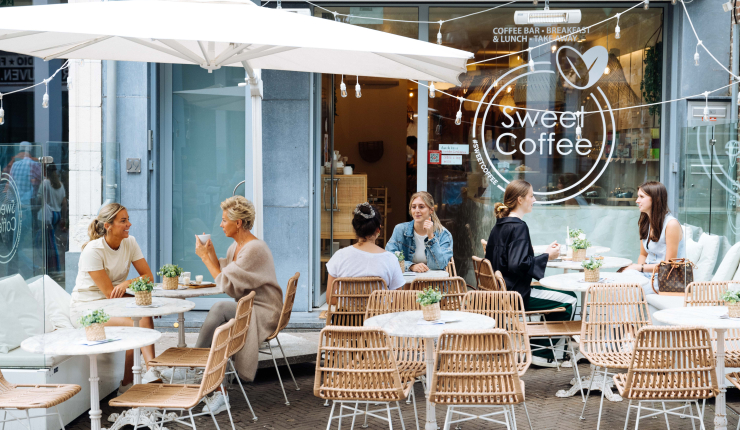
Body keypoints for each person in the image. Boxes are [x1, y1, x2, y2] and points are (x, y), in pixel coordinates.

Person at [194, 195, 283, 415]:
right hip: (249, 307)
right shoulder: (236, 247)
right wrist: (211, 254)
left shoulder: (254, 249)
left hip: (264, 311)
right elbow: (229, 280)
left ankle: (196, 364)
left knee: (219, 310)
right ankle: (215, 386)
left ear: (238, 223)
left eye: (224, 220)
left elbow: (225, 283)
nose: (221, 224)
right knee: (222, 326)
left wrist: (206, 259)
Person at [484, 179, 577, 367]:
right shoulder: (519, 227)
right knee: (571, 300)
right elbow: (518, 264)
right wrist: (547, 257)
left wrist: (544, 254)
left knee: (568, 296)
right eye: (531, 196)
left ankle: (547, 351)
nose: (534, 200)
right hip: (516, 295)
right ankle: (543, 353)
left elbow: (510, 258)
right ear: (520, 199)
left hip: (501, 293)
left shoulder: (500, 225)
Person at [70, 203, 157, 392]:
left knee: (141, 317)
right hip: (87, 310)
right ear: (108, 226)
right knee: (139, 319)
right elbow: (110, 294)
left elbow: (148, 277)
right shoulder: (93, 250)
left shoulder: (130, 242)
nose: (129, 224)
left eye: (128, 220)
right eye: (123, 221)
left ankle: (130, 382)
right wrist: (140, 302)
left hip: (113, 306)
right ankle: (152, 373)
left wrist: (128, 283)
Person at [326, 203, 405, 304]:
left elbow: (330, 299)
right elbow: (398, 300)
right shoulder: (390, 259)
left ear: (355, 228)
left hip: (346, 319)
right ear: (378, 229)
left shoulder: (340, 256)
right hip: (378, 318)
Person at [622, 181, 685, 295]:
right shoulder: (645, 222)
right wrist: (638, 271)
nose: (637, 201)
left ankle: (629, 312)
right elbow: (643, 255)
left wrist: (639, 268)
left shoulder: (671, 225)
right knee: (619, 279)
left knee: (627, 289)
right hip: (648, 275)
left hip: (665, 279)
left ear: (655, 199)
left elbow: (669, 265)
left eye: (641, 197)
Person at [386, 191, 453, 273]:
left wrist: (431, 237)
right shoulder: (400, 230)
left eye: (421, 207)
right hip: (407, 283)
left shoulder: (443, 234)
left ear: (431, 210)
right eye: (413, 207)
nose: (417, 210)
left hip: (434, 283)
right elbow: (389, 257)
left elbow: (439, 265)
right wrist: (411, 266)